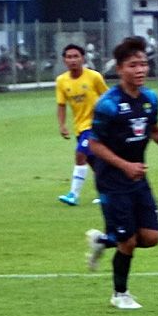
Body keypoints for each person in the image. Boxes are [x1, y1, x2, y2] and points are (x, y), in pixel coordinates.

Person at [85, 36, 158, 309]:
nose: (141, 70)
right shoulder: (108, 104)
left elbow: (154, 131)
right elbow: (93, 143)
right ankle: (119, 294)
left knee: (151, 237)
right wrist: (125, 165)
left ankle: (103, 240)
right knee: (128, 241)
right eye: (134, 65)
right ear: (120, 69)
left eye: (144, 64)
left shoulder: (150, 99)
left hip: (138, 177)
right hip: (112, 180)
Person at [55, 43, 109, 206]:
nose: (72, 60)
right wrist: (62, 125)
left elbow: (108, 97)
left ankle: (73, 194)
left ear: (82, 58)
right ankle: (107, 193)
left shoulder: (94, 77)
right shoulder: (61, 81)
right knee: (95, 162)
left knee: (80, 154)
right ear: (64, 60)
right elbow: (61, 105)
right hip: (80, 126)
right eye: (69, 57)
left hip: (96, 125)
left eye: (76, 56)